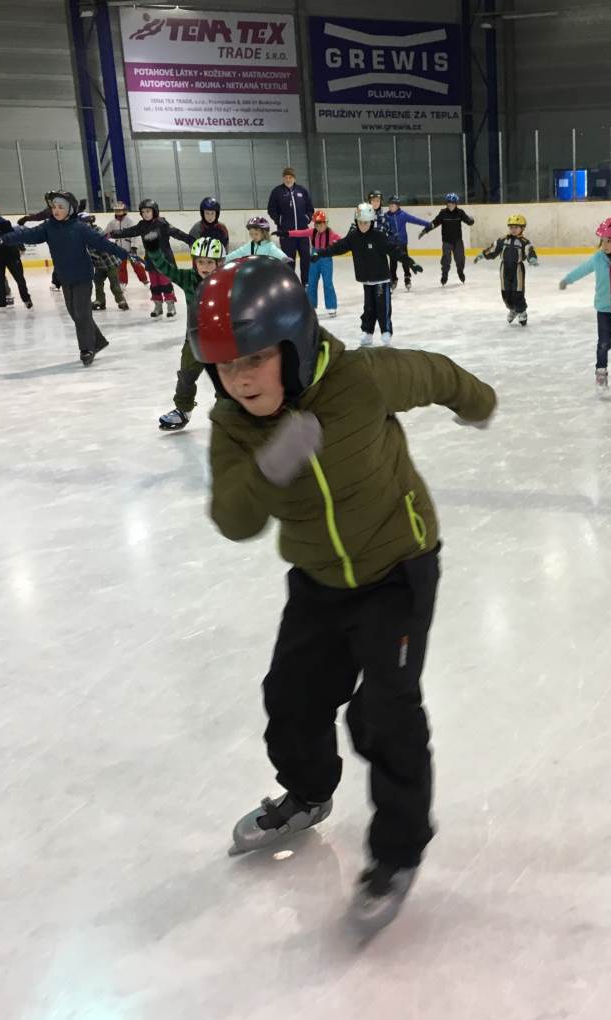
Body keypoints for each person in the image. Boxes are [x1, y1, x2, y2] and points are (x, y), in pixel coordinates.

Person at [187, 255, 497, 937]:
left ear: (294, 344)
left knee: (384, 711)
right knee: (291, 699)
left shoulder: (359, 379)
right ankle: (307, 793)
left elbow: (435, 374)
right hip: (319, 579)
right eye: (225, 365)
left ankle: (397, 851)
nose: (241, 379)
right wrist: (272, 463)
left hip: (398, 569)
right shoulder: (235, 425)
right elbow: (234, 519)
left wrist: (476, 401)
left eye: (256, 358)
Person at [0, 190, 133, 365]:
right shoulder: (48, 227)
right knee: (74, 313)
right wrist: (3, 239)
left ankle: (87, 349)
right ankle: (98, 341)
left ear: (70, 209)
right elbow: (26, 234)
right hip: (65, 276)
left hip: (82, 276)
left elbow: (102, 243)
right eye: (54, 207)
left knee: (82, 313)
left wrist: (126, 254)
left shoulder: (80, 228)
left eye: (61, 207)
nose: (56, 210)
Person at [313, 203, 420, 347]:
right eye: (360, 222)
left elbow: (395, 251)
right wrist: (320, 253)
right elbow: (338, 247)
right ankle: (367, 332)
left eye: (366, 222)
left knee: (382, 308)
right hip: (366, 280)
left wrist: (411, 263)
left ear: (371, 222)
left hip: (381, 279)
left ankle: (386, 331)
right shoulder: (353, 237)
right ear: (356, 222)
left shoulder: (379, 237)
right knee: (368, 309)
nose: (363, 226)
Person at [560, 216, 611, 396]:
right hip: (604, 307)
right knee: (603, 343)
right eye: (603, 240)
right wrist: (568, 279)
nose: (604, 245)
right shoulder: (599, 258)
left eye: (609, 241)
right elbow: (583, 269)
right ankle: (601, 375)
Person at [150, 236, 227, 432]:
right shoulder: (188, 278)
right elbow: (166, 269)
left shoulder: (227, 282)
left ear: (219, 263)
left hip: (222, 341)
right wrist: (153, 249)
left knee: (224, 378)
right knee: (186, 376)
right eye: (200, 262)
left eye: (209, 262)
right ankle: (183, 410)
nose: (204, 266)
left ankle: (226, 410)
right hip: (194, 340)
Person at [112, 200, 179, 317]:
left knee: (165, 284)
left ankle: (170, 305)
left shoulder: (162, 224)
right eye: (143, 212)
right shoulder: (142, 225)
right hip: (151, 261)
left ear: (154, 211)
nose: (145, 214)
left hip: (164, 261)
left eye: (148, 211)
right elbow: (129, 231)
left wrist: (190, 240)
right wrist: (114, 233)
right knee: (154, 285)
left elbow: (177, 233)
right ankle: (158, 306)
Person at [474, 213, 538, 325]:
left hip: (517, 269)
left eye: (516, 227)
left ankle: (521, 311)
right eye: (511, 227)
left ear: (522, 228)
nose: (513, 230)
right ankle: (512, 309)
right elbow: (492, 249)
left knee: (518, 292)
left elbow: (530, 251)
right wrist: (483, 255)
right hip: (504, 269)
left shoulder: (524, 242)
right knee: (505, 292)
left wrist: (532, 259)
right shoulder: (502, 240)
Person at [287, 210, 341, 319]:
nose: (319, 226)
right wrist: (287, 233)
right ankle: (311, 307)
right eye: (316, 224)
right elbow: (300, 233)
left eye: (321, 223)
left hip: (326, 260)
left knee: (328, 283)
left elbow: (343, 243)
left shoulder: (331, 234)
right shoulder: (312, 232)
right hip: (314, 260)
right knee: (311, 283)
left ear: (326, 223)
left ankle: (331, 307)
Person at [267, 167, 315, 283]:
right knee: (289, 261)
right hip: (286, 234)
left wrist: (307, 218)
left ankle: (306, 283)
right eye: (286, 177)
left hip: (302, 233)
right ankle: (291, 284)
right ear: (283, 178)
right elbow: (271, 209)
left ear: (294, 178)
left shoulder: (302, 190)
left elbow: (310, 208)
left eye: (290, 177)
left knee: (306, 259)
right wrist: (280, 220)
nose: (288, 180)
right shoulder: (277, 192)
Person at [419, 194, 475, 286]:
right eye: (449, 203)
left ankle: (460, 272)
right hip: (446, 241)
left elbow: (467, 221)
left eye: (452, 203)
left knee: (460, 259)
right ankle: (444, 276)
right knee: (445, 260)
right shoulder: (443, 213)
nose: (450, 205)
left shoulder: (460, 212)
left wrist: (471, 221)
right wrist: (425, 230)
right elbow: (435, 223)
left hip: (458, 241)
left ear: (456, 204)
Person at [82, 214, 129, 312]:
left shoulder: (97, 231)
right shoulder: (81, 235)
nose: (84, 225)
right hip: (99, 265)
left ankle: (121, 301)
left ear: (90, 222)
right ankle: (100, 301)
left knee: (114, 283)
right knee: (97, 281)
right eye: (82, 223)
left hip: (111, 263)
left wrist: (91, 256)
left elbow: (100, 246)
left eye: (86, 222)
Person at [383, 197, 430, 292]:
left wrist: (427, 224)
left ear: (397, 206)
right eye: (390, 205)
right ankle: (393, 279)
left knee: (405, 261)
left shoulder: (403, 215)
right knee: (393, 263)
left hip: (402, 242)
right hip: (392, 243)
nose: (391, 207)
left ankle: (407, 278)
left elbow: (415, 220)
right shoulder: (386, 216)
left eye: (393, 205)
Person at [105, 200, 151, 292]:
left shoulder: (130, 221)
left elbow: (135, 234)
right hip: (119, 249)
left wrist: (134, 247)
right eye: (116, 210)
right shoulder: (112, 223)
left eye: (120, 210)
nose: (118, 212)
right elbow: (106, 233)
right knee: (121, 267)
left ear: (124, 210)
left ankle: (145, 281)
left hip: (130, 249)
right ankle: (122, 283)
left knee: (137, 265)